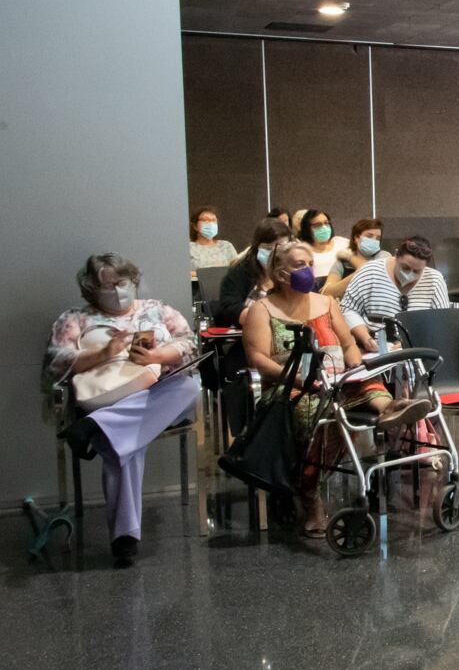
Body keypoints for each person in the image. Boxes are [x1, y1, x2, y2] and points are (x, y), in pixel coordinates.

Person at [242, 242, 425, 537]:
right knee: (320, 410)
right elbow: (258, 359)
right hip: (291, 387)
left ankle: (391, 410)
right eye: (300, 265)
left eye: (310, 263)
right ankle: (309, 493)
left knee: (364, 381)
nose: (308, 270)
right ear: (280, 273)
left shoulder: (327, 303)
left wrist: (353, 362)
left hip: (336, 380)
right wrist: (300, 379)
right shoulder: (262, 310)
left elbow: (348, 343)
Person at [47, 253, 201, 566]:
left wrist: (158, 355)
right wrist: (104, 352)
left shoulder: (157, 309)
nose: (118, 291)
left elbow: (189, 342)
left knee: (190, 387)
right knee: (126, 444)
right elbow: (57, 363)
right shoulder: (75, 319)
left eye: (122, 283)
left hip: (157, 388)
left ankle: (96, 427)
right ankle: (124, 538)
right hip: (109, 395)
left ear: (133, 280)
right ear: (92, 289)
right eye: (108, 286)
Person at [339, 236, 451, 352]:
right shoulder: (370, 271)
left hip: (417, 350)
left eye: (417, 271)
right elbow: (348, 309)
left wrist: (414, 341)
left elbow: (442, 323)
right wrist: (365, 338)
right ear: (396, 255)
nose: (409, 274)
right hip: (375, 348)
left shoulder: (435, 280)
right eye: (405, 267)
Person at [212, 217, 292, 327]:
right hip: (247, 332)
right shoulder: (240, 271)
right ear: (257, 247)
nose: (274, 252)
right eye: (269, 247)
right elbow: (230, 308)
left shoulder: (290, 273)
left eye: (280, 247)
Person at [322, 218, 387, 299]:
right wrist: (356, 274)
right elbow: (326, 292)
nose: (374, 240)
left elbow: (370, 273)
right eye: (369, 236)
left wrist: (350, 258)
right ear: (356, 238)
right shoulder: (342, 262)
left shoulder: (384, 256)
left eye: (378, 238)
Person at [297, 209, 348, 281]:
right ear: (307, 229)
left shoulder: (343, 243)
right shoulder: (302, 251)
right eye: (317, 225)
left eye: (326, 223)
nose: (324, 227)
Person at [189, 206, 237, 272]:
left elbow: (237, 270)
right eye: (205, 220)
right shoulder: (189, 248)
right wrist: (213, 272)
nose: (210, 223)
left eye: (214, 220)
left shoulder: (226, 246)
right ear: (195, 226)